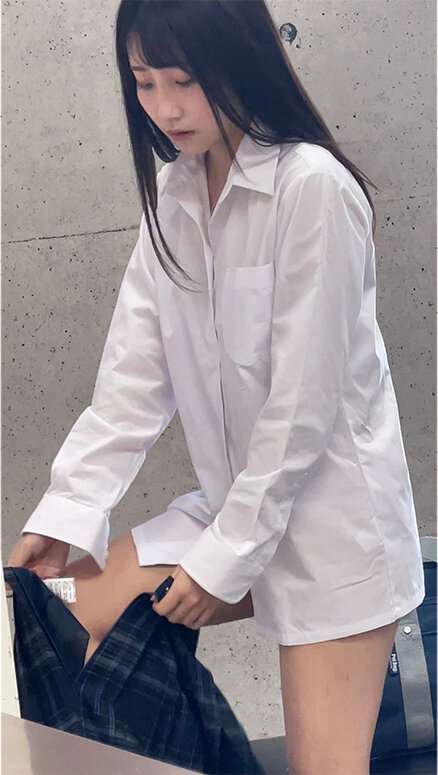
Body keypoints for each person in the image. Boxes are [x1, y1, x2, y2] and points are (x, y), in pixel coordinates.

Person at [7, 1, 425, 773]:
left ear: (237, 61)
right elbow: (132, 381)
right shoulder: (174, 193)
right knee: (56, 614)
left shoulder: (312, 188)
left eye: (183, 80)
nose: (164, 108)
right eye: (144, 82)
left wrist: (222, 561)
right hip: (230, 506)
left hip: (331, 533)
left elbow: (300, 414)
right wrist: (70, 510)